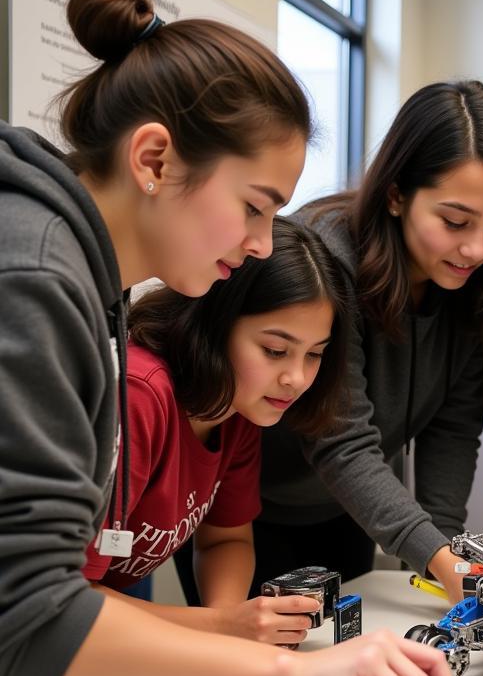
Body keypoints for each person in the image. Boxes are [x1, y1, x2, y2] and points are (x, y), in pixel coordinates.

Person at [0, 0, 456, 676]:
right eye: (254, 206)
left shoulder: (79, 273)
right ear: (152, 160)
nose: (259, 244)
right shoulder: (36, 274)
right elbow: (27, 609)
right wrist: (299, 673)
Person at [256, 81, 483, 603]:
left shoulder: (474, 284)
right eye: (455, 221)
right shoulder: (327, 261)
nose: (476, 248)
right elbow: (342, 439)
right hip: (248, 511)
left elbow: (452, 431)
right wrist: (438, 558)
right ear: (396, 193)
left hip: (343, 510)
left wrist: (448, 555)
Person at [79, 218, 348, 647]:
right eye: (275, 351)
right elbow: (68, 601)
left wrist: (232, 625)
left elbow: (226, 536)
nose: (296, 378)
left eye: (314, 354)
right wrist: (223, 628)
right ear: (215, 324)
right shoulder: (139, 398)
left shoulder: (239, 408)